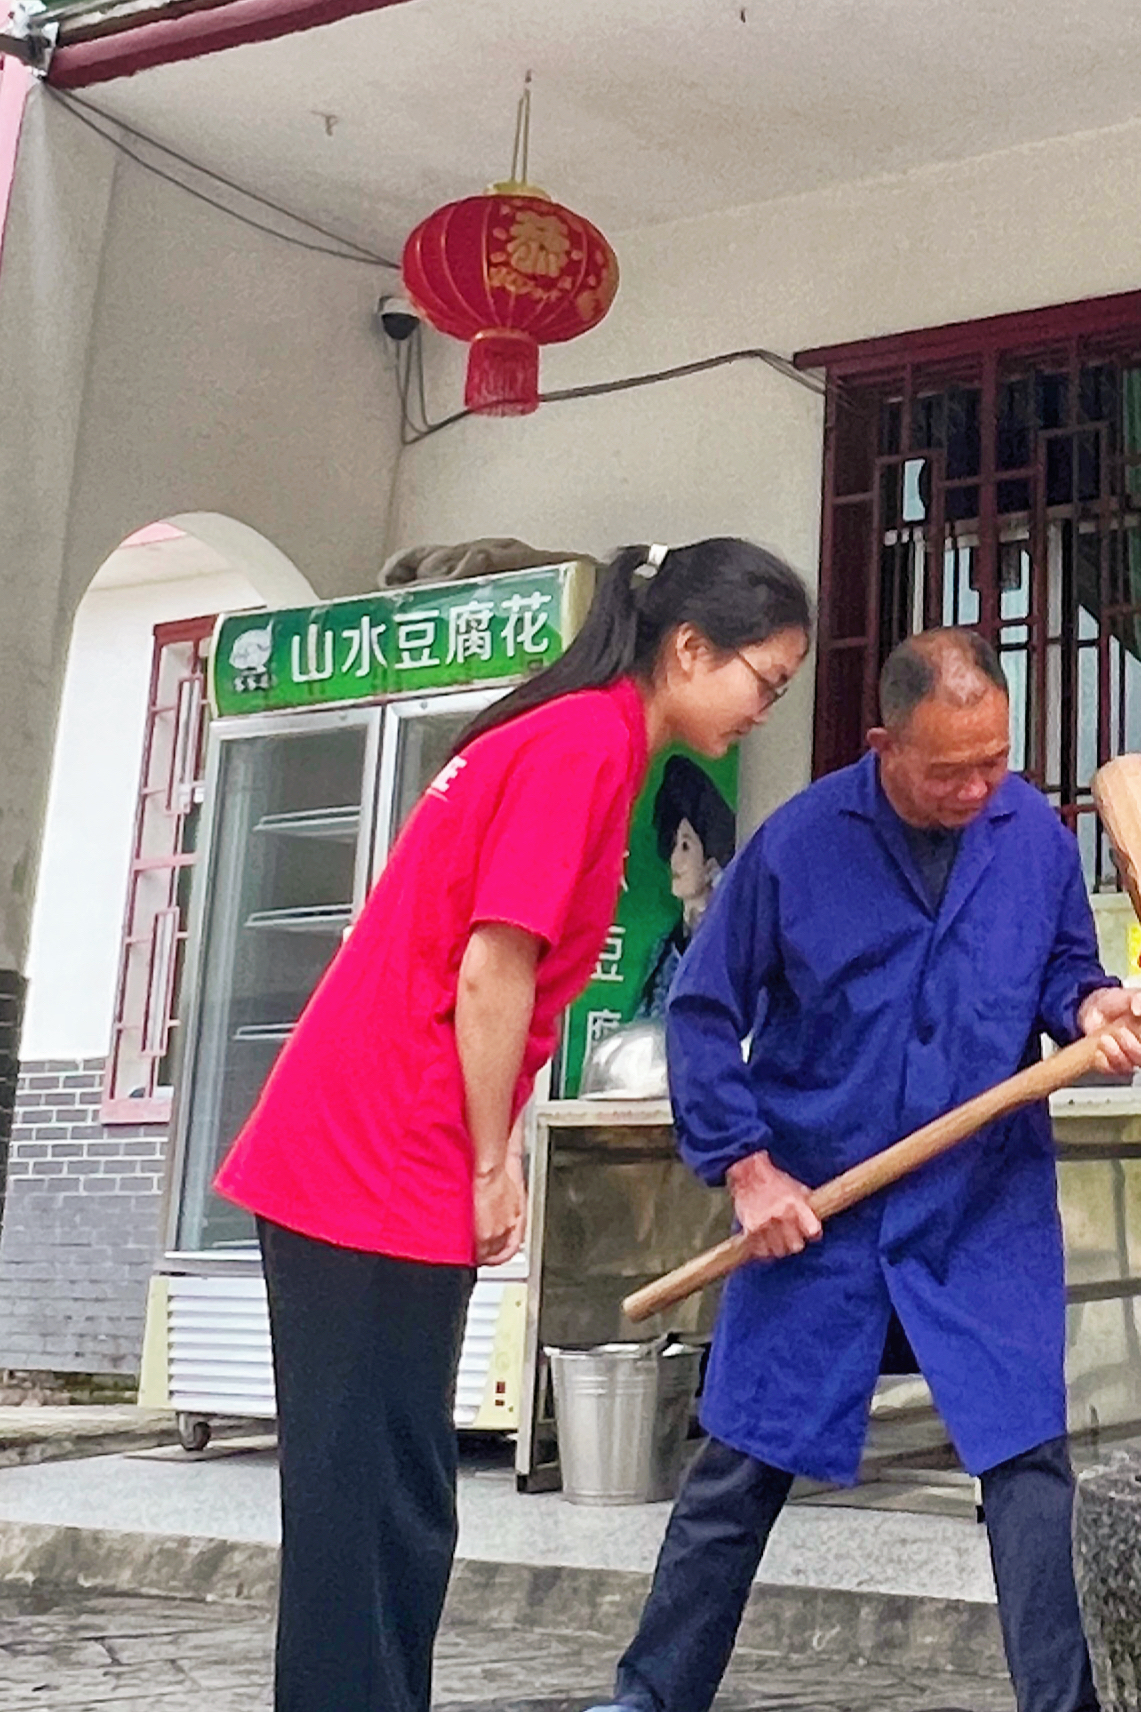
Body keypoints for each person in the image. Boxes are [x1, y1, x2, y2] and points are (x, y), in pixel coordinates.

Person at [212, 538, 812, 1712]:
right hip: (374, 1152)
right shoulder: (584, 743)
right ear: (689, 649)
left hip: (370, 1145)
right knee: (371, 1510)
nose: (764, 706)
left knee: (385, 1502)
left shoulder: (572, 736)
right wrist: (495, 1160)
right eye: (766, 678)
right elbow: (493, 970)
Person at [585, 631, 1141, 1712]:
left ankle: (1064, 1703)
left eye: (996, 759)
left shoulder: (1027, 832)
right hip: (821, 1206)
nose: (979, 786)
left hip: (979, 1205)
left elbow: (1066, 969)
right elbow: (704, 1013)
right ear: (884, 744)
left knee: (1028, 1461)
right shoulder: (801, 844)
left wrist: (1095, 1008)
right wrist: (747, 1170)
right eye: (951, 768)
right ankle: (651, 1695)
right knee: (741, 1463)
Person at [635, 755, 737, 1017]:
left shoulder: (733, 948)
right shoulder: (662, 950)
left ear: (711, 862)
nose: (675, 861)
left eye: (686, 846)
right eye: (673, 845)